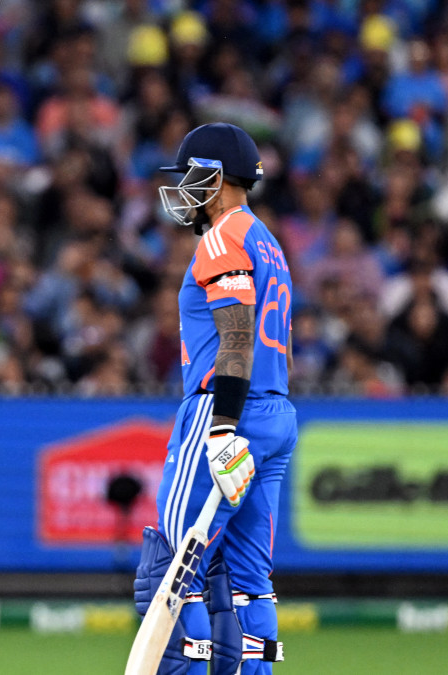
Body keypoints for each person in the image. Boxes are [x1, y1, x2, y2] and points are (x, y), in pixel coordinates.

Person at [134, 124, 295, 675]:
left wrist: (223, 429)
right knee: (250, 579)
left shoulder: (223, 237)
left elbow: (237, 339)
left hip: (223, 411)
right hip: (275, 410)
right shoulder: (268, 243)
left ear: (217, 178)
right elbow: (281, 350)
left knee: (176, 568)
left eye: (191, 176)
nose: (183, 189)